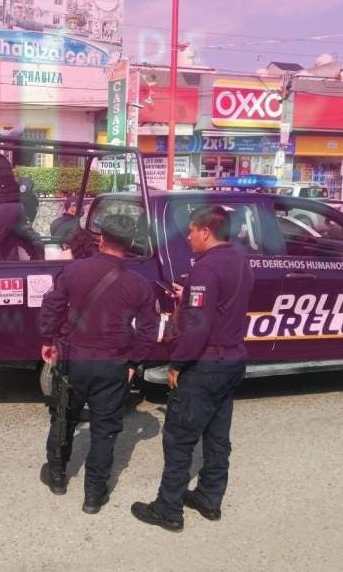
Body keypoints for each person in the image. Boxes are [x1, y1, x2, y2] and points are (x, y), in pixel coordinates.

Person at [132, 205, 254, 532]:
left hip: (205, 366)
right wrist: (189, 296)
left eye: (191, 232)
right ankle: (209, 499)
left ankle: (167, 509)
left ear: (206, 232)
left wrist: (177, 363)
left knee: (179, 438)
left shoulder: (206, 268)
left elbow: (198, 328)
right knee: (216, 436)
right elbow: (222, 303)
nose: (188, 238)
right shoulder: (240, 260)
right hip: (232, 360)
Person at [37, 214, 158, 513]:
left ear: (101, 239)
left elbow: (52, 305)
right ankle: (93, 494)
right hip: (113, 364)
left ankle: (57, 476)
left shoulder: (74, 270)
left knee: (64, 416)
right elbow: (148, 330)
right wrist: (134, 363)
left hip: (74, 358)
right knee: (105, 429)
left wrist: (48, 339)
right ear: (130, 244)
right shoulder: (140, 285)